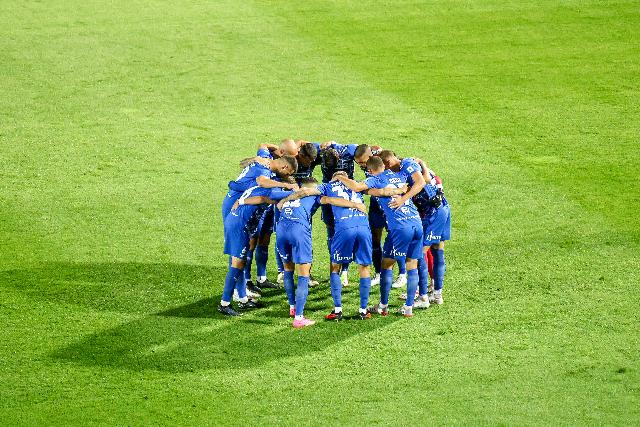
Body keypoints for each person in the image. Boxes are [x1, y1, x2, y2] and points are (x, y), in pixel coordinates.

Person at [335, 156, 423, 317]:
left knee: (386, 265)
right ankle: (409, 307)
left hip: (400, 227)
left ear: (369, 171)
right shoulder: (400, 175)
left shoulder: (374, 179)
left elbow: (356, 187)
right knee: (412, 264)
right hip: (417, 223)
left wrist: (340, 177)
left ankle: (383, 306)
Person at [219, 186, 286, 316]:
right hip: (238, 227)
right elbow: (262, 198)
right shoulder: (269, 190)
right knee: (236, 265)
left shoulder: (261, 188)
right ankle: (224, 304)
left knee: (241, 263)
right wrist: (295, 189)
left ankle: (243, 300)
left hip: (238, 224)